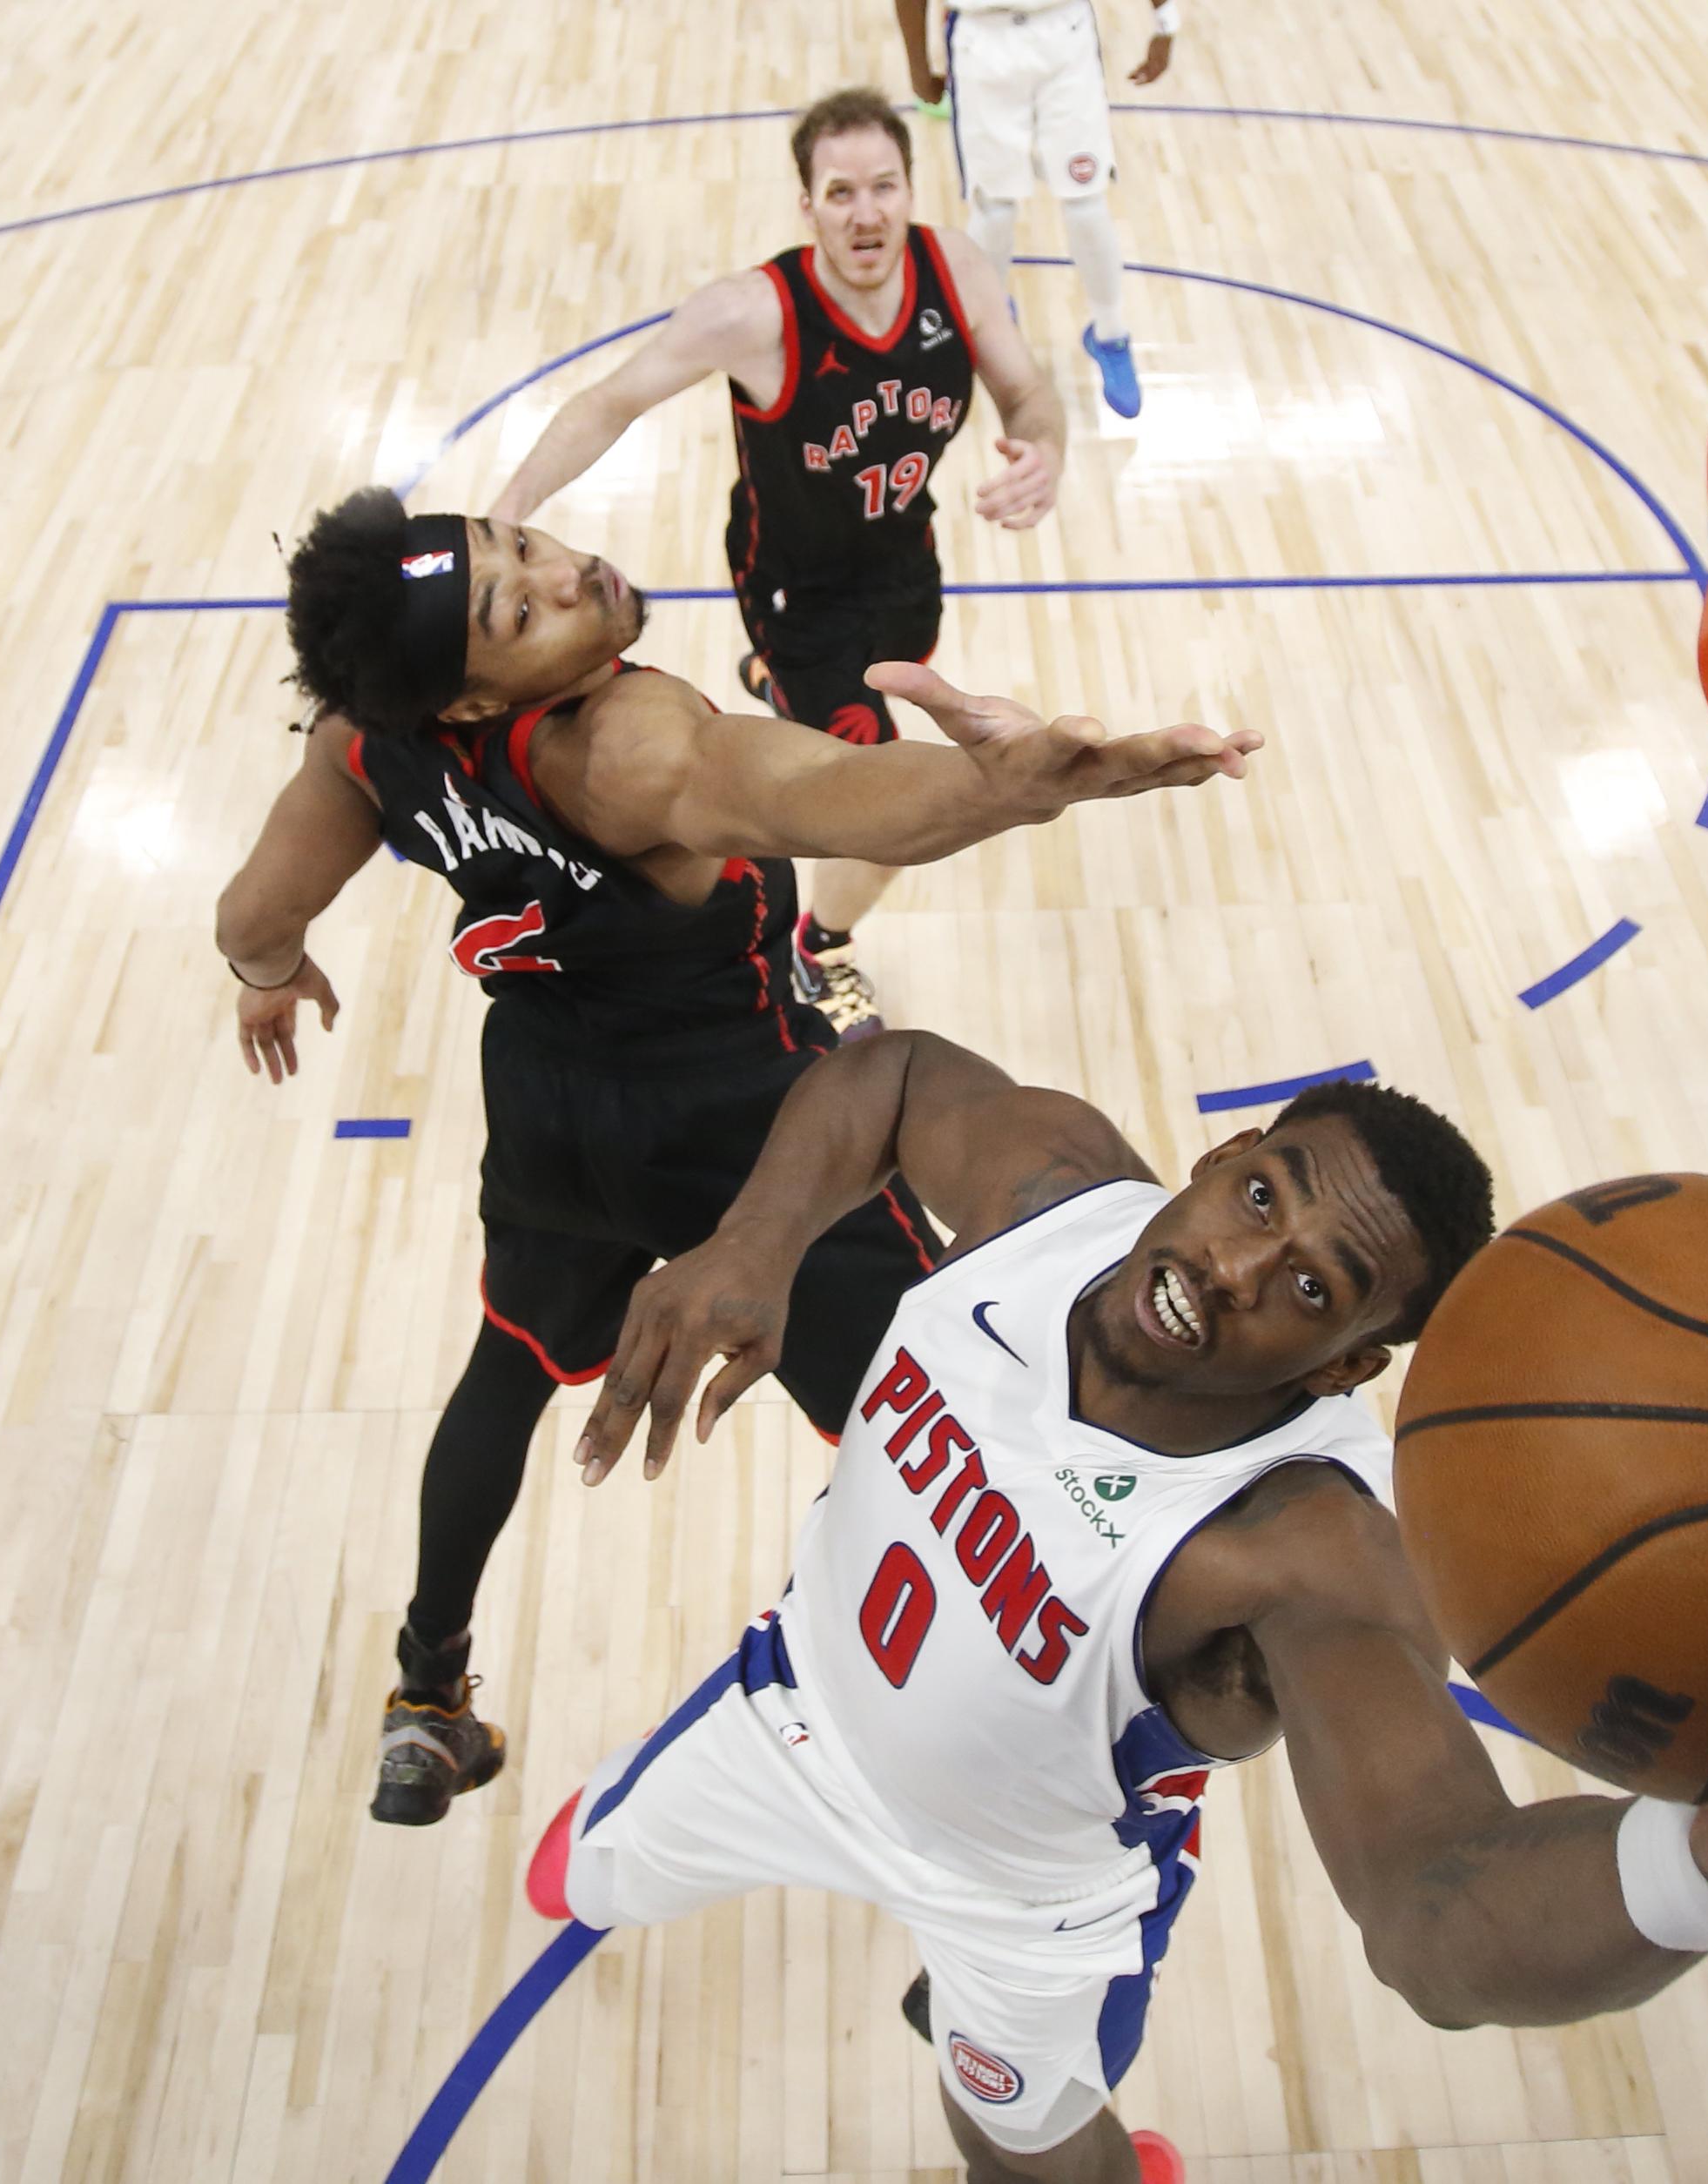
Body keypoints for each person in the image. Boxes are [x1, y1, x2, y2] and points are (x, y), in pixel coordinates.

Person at [541, 1030, 1708, 2182]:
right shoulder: (1056, 1193)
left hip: (1020, 1896)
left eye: (1309, 1286)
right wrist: (748, 1244)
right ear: (1225, 1153)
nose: (1233, 1265)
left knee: (1020, 2143)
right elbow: (879, 1074)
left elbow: (1437, 1908)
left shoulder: (1305, 1557)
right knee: (583, 1870)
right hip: (787, 1702)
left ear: (1346, 1366)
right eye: (1255, 1194)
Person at [219, 487, 1256, 1827]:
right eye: (516, 607)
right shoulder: (625, 749)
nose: (566, 573)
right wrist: (1007, 785)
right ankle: (998, 1798)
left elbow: (254, 912)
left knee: (505, 1373)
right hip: (749, 1131)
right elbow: (828, 794)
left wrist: (267, 974)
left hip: (551, 1111)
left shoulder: (370, 740)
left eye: (519, 545)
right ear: (470, 703)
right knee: (934, 1442)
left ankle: (426, 1699)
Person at [485, 88, 1069, 1038]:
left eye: (884, 187)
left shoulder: (951, 267)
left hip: (904, 560)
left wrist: (1045, 449)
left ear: (909, 191)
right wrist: (506, 516)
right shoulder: (752, 313)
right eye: (841, 193)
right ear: (807, 207)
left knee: (898, 671)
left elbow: (1027, 389)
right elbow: (609, 401)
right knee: (875, 807)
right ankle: (819, 945)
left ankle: (768, 682)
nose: (867, 212)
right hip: (796, 595)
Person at [900, 0, 1168, 421]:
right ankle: (983, 323)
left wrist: (1165, 22)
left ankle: (1111, 335)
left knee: (1086, 203)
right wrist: (917, 67)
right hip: (981, 43)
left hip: (1065, 36)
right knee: (995, 210)